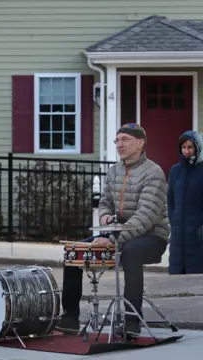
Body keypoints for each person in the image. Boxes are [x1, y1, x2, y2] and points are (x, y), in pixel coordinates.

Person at [57, 123, 169, 338]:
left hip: (152, 235)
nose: (119, 144)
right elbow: (105, 202)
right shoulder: (113, 171)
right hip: (116, 233)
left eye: (125, 139)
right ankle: (70, 318)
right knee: (74, 251)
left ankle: (131, 320)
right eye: (117, 140)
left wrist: (112, 239)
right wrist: (106, 217)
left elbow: (146, 216)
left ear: (140, 143)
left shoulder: (153, 172)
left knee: (131, 253)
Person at [167, 130, 203, 274]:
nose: (186, 151)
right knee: (176, 278)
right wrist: (173, 220)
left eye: (190, 147)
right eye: (184, 147)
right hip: (177, 235)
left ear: (197, 148)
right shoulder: (175, 171)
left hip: (197, 235)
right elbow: (170, 201)